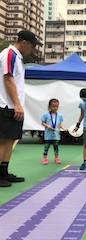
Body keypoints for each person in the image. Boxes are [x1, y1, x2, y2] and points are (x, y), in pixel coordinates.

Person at [0, 30, 41, 187]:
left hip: (13, 105)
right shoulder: (9, 54)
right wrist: (17, 104)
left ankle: (4, 172)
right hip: (6, 105)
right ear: (23, 42)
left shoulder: (17, 57)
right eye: (31, 46)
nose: (32, 50)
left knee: (10, 139)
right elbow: (8, 79)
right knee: (3, 140)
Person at [41, 99, 66, 165]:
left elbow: (60, 124)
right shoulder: (45, 114)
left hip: (56, 134)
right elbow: (43, 123)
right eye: (53, 106)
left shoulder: (60, 115)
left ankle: (56, 158)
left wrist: (63, 128)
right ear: (49, 106)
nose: (55, 108)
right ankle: (45, 158)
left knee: (56, 147)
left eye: (57, 106)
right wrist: (47, 126)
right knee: (46, 147)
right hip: (48, 134)